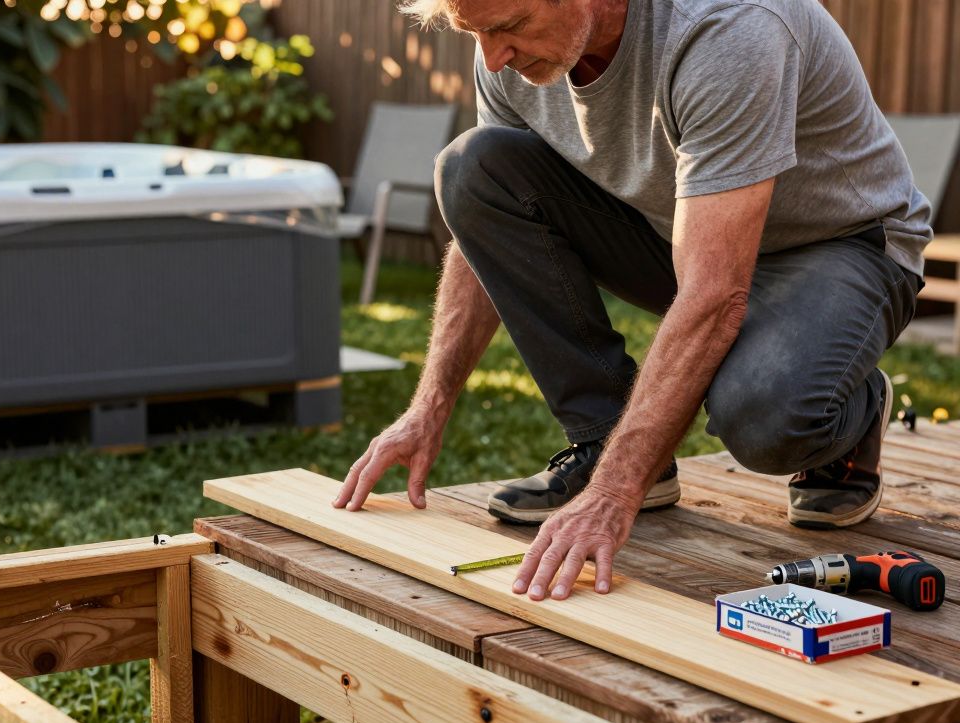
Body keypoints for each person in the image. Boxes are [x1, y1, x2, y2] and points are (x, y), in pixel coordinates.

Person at [332, 0, 929, 604]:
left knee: (763, 421)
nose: (492, 57)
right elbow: (483, 228)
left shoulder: (728, 29)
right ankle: (602, 439)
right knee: (471, 166)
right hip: (680, 232)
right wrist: (427, 408)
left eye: (508, 27)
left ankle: (853, 411)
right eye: (477, 33)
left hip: (839, 244)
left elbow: (714, 297)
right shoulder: (512, 60)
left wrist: (613, 495)